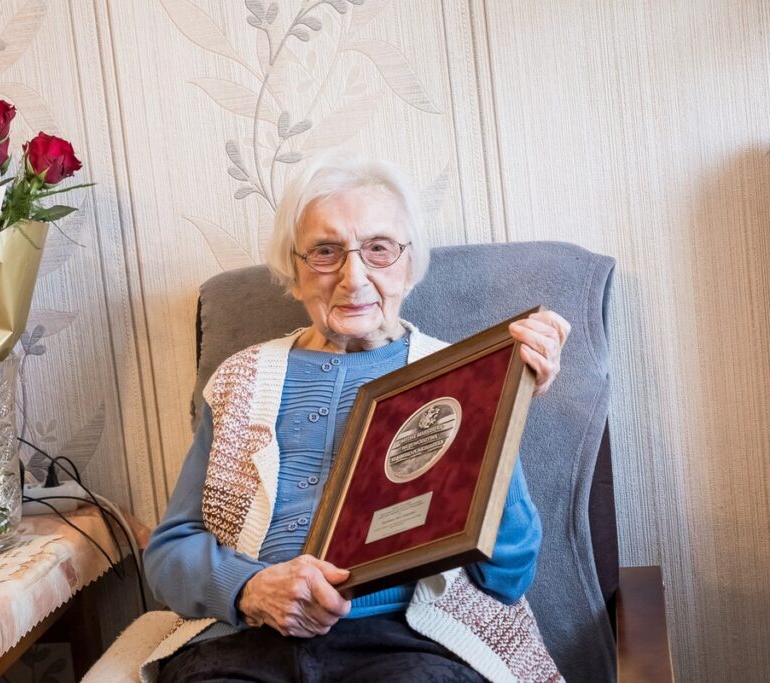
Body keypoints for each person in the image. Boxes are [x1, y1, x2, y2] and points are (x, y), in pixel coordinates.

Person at [143, 154, 570, 682]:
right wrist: (250, 588)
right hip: (248, 643)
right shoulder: (240, 379)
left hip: (409, 643)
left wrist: (506, 404)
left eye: (379, 249)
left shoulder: (465, 377)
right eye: (325, 252)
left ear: (409, 267)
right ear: (295, 274)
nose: (354, 276)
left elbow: (509, 576)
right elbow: (167, 554)